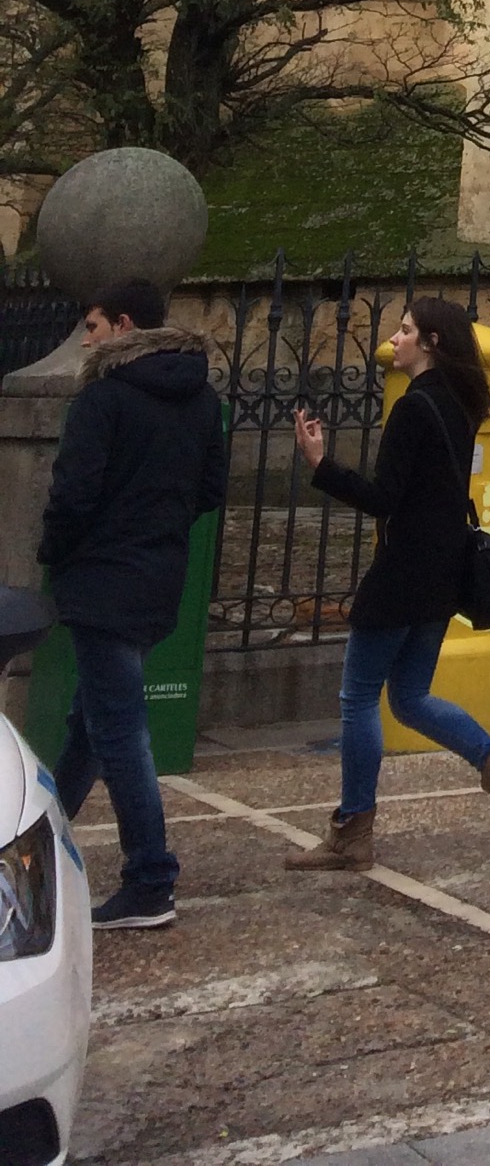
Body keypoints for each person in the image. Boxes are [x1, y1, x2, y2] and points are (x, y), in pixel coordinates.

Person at [288, 296, 490, 869]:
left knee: (359, 698)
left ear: (431, 343)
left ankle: (352, 831)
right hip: (441, 576)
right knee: (409, 698)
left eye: (405, 331)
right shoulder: (459, 403)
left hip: (402, 574)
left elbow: (384, 498)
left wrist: (320, 464)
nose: (394, 340)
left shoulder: (412, 409)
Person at [39, 277, 228, 930]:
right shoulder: (202, 397)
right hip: (157, 580)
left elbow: (73, 494)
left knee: (119, 733)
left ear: (123, 326)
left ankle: (150, 879)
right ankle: (43, 841)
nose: (85, 340)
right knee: (91, 721)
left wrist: (56, 553)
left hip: (102, 581)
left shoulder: (104, 397)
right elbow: (210, 489)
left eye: (91, 326)